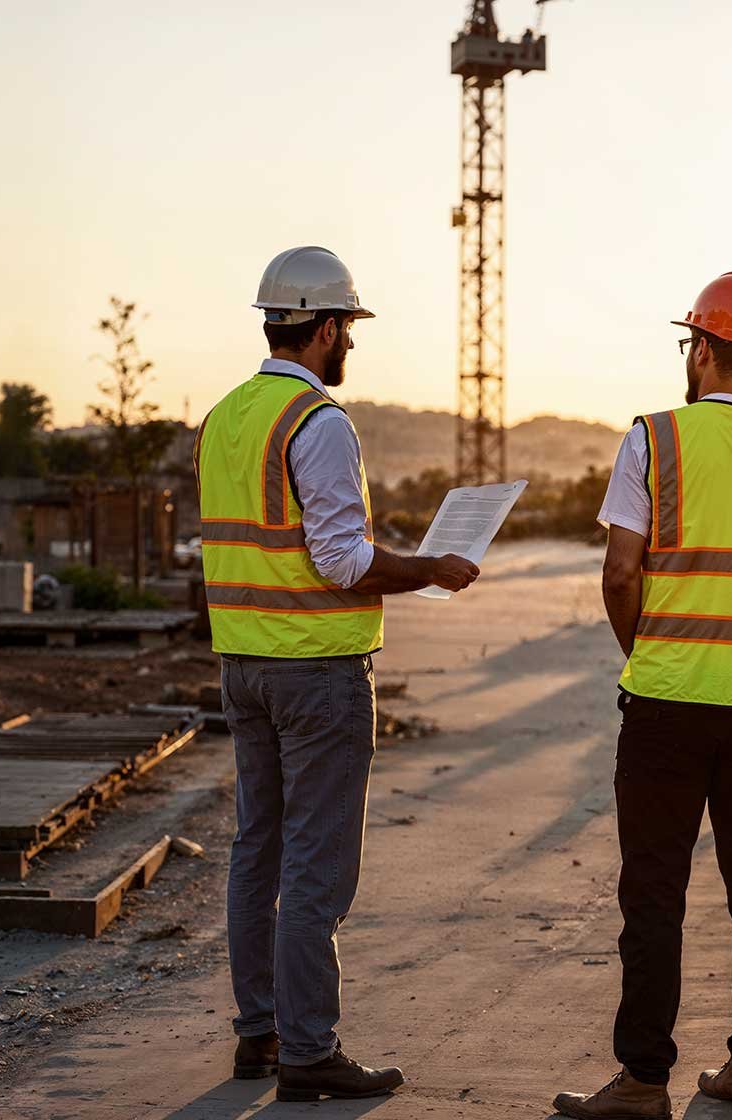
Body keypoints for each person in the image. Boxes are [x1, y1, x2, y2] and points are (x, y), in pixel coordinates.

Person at [197, 246, 481, 1104]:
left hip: (242, 666)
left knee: (257, 852)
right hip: (314, 674)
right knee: (317, 866)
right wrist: (429, 568)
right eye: (348, 329)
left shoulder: (225, 416)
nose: (350, 345)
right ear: (324, 328)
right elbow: (339, 559)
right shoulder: (318, 423)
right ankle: (309, 1053)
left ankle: (261, 1036)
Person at [557, 272, 732, 1119]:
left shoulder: (653, 440)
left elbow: (617, 575)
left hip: (667, 705)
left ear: (706, 348)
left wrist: (650, 655)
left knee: (653, 891)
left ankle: (644, 1079)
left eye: (691, 343)